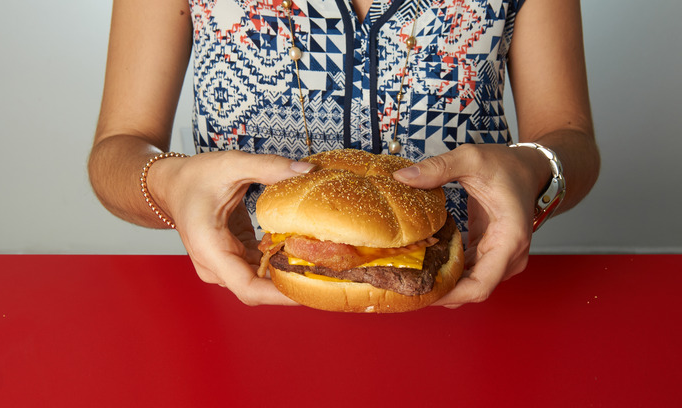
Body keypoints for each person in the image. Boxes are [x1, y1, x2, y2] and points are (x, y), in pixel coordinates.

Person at [88, 0, 600, 308]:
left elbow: (569, 140)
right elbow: (116, 150)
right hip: (237, 307)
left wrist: (538, 170)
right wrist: (171, 185)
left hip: (475, 304)